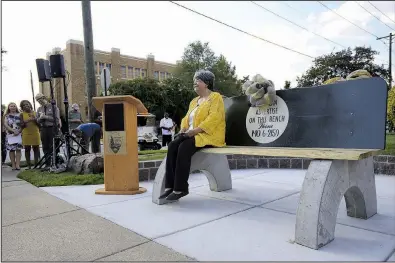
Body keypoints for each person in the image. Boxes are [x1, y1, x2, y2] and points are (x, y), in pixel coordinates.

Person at [159, 69, 226, 201]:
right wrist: (183, 129)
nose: (195, 83)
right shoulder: (194, 101)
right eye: (194, 81)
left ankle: (181, 188)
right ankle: (169, 187)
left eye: (198, 81)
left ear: (206, 83)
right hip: (192, 134)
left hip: (209, 135)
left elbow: (214, 118)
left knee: (184, 147)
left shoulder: (215, 97)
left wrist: (194, 131)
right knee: (173, 145)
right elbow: (186, 118)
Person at [35, 93, 61, 169]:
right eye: (37, 100)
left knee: (53, 146)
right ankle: (47, 163)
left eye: (40, 99)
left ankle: (55, 162)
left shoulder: (54, 107)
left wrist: (45, 117)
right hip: (43, 129)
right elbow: (37, 120)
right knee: (45, 146)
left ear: (44, 97)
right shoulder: (39, 109)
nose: (39, 101)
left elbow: (56, 120)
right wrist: (40, 118)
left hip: (52, 128)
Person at [20, 100, 41, 169]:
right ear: (22, 107)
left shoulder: (35, 113)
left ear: (30, 105)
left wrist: (35, 119)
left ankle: (36, 164)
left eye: (27, 104)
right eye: (24, 105)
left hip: (35, 132)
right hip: (26, 133)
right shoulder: (21, 114)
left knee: (36, 149)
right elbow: (21, 125)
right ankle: (29, 165)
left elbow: (39, 125)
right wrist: (26, 121)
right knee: (27, 149)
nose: (26, 106)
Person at [3, 102, 23, 170]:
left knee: (18, 149)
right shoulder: (6, 115)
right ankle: (13, 165)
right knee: (11, 150)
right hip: (10, 135)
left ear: (16, 107)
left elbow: (22, 124)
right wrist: (12, 130)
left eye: (14, 106)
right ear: (8, 107)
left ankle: (17, 165)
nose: (13, 107)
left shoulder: (20, 114)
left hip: (19, 134)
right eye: (11, 106)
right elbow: (5, 124)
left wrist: (18, 131)